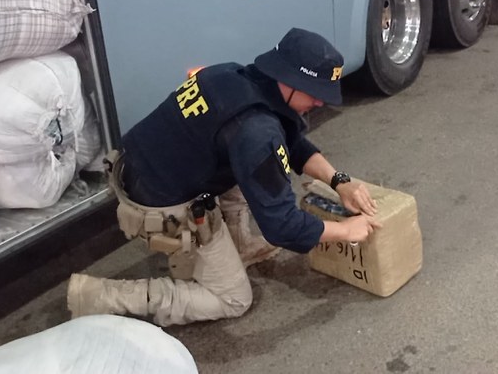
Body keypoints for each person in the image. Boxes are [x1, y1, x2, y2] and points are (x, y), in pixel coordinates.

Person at [67, 27, 381, 326]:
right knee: (234, 299)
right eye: (315, 92)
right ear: (290, 79)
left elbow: (290, 140)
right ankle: (101, 297)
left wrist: (339, 181)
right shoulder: (256, 131)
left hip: (142, 164)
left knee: (259, 163)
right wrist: (345, 231)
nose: (320, 101)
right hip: (158, 202)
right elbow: (282, 227)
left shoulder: (235, 75)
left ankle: (239, 244)